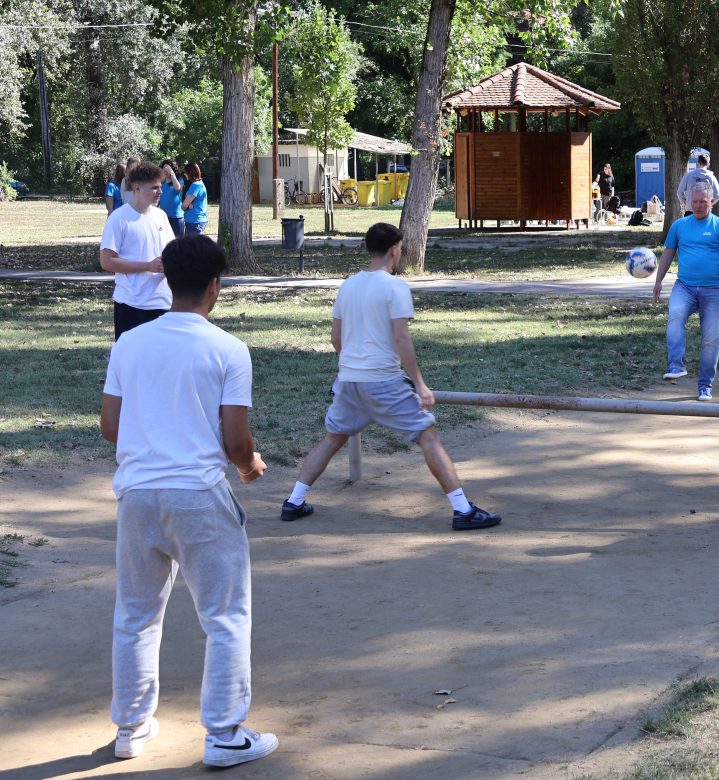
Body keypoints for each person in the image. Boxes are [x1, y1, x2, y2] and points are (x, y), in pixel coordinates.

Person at [100, 234, 279, 768]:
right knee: (224, 616)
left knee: (134, 613)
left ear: (166, 280)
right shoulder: (227, 349)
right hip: (198, 496)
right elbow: (237, 441)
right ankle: (224, 734)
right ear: (215, 287)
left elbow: (111, 428)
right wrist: (249, 467)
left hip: (136, 495)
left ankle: (130, 729)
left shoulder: (128, 344)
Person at [280, 222, 503, 532]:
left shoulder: (348, 285)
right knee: (428, 435)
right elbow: (402, 338)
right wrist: (420, 383)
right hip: (383, 381)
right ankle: (463, 510)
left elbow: (335, 338)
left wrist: (352, 365)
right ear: (394, 250)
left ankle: (293, 501)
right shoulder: (395, 287)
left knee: (332, 439)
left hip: (348, 381)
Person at [651, 183, 719, 401]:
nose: (699, 206)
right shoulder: (679, 226)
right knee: (675, 316)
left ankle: (705, 386)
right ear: (689, 203)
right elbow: (668, 254)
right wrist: (658, 281)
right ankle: (675, 366)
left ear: (712, 201)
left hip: (715, 290)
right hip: (685, 287)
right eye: (695, 202)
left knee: (711, 339)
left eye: (703, 201)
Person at [100, 161, 175, 340]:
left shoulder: (161, 216)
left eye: (161, 186)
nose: (160, 191)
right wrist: (147, 266)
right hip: (131, 304)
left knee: (161, 364)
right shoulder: (119, 218)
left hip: (163, 302)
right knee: (131, 365)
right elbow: (106, 261)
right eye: (155, 187)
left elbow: (172, 251)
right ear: (137, 187)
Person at [159, 159, 185, 238]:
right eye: (164, 169)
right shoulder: (161, 182)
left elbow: (177, 188)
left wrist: (172, 174)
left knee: (178, 242)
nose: (165, 171)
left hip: (176, 218)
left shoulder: (179, 180)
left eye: (168, 169)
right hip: (163, 217)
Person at [182, 162, 209, 235]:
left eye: (185, 172)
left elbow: (184, 206)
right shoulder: (199, 183)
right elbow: (188, 199)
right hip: (196, 221)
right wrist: (189, 203)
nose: (184, 174)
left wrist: (186, 206)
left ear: (190, 173)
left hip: (194, 222)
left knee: (192, 246)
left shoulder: (195, 186)